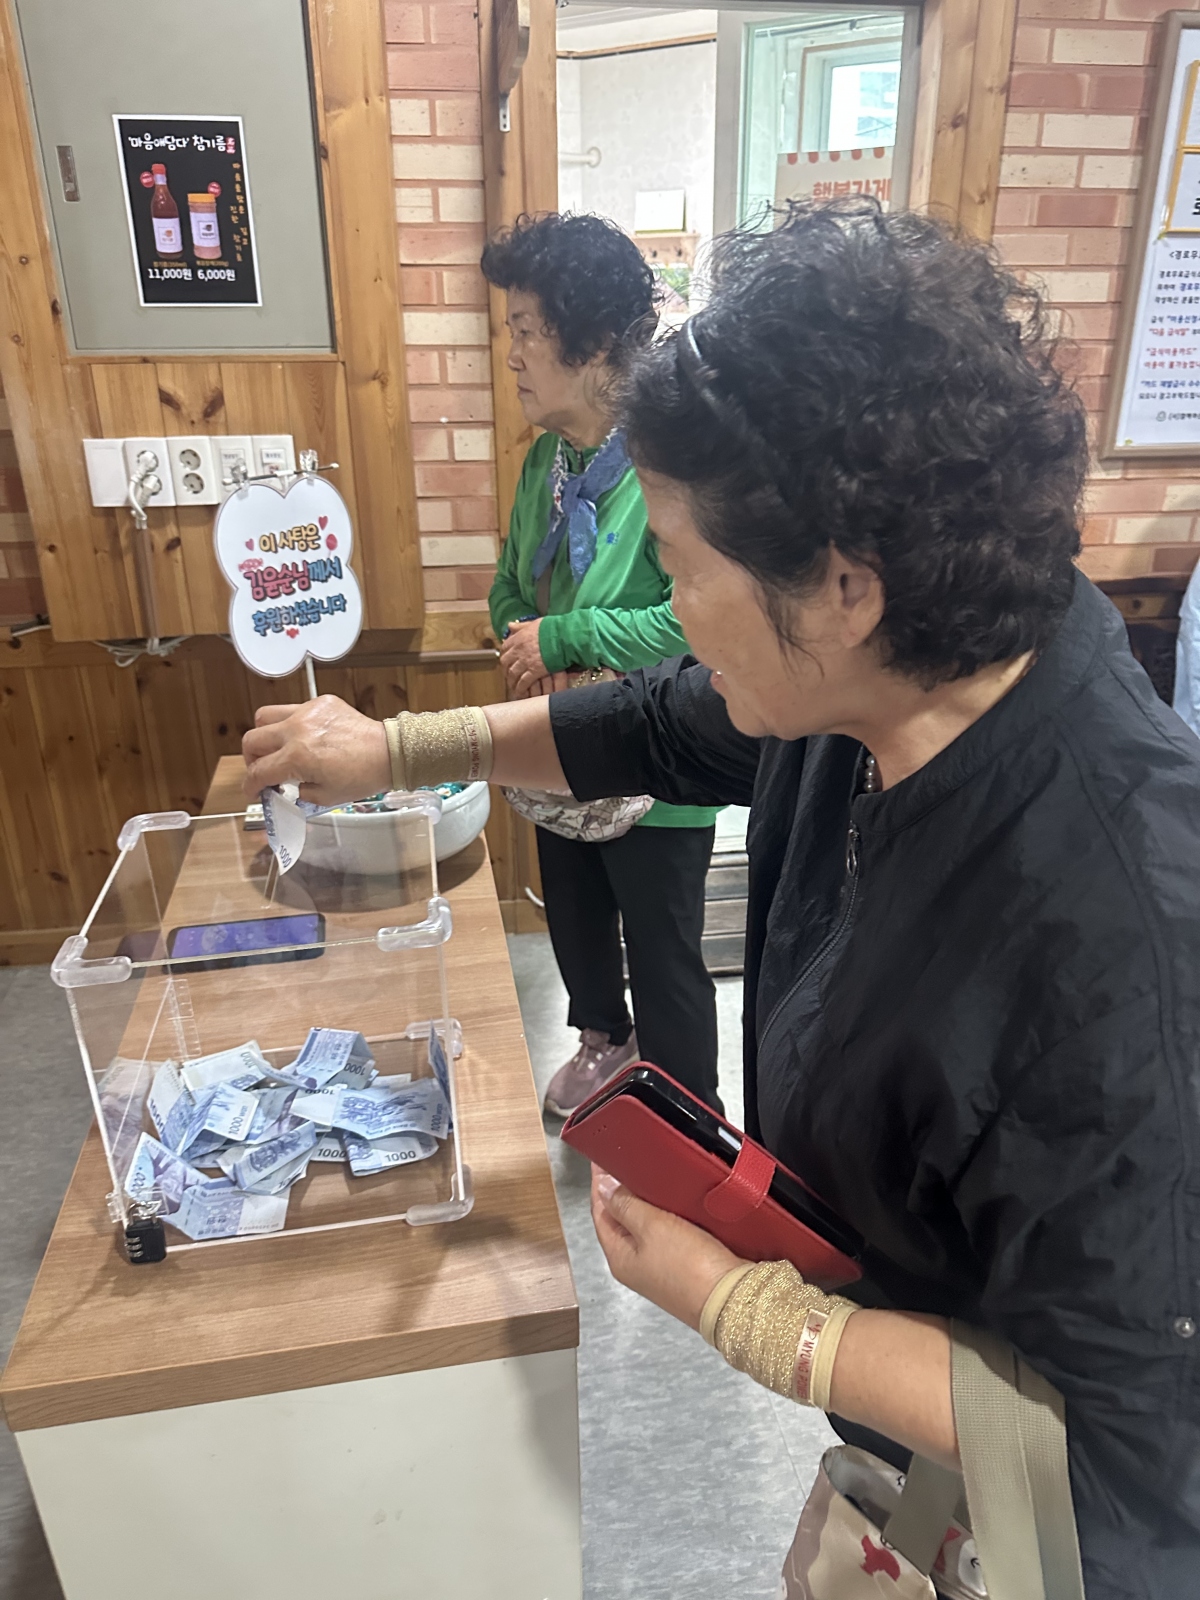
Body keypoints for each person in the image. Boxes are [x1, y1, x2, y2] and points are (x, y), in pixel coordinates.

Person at [243, 201, 1200, 1595]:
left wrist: (740, 1305)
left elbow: (1111, 1446)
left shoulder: (1129, 936)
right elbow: (653, 720)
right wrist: (396, 749)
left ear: (846, 586)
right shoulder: (872, 685)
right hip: (910, 1466)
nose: (675, 608)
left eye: (686, 568)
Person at [479, 212, 722, 1116]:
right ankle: (602, 1044)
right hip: (563, 743)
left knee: (664, 950)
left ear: (590, 343)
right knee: (575, 915)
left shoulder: (675, 459)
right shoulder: (545, 460)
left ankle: (687, 1118)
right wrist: (523, 639)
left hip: (662, 763)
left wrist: (564, 640)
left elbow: (696, 619)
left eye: (526, 331)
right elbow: (509, 587)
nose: (512, 355)